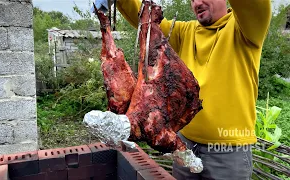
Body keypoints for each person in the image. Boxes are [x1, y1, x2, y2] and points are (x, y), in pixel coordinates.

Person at [92, 0, 272, 179]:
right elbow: (146, 17)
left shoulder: (247, 28)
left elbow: (254, 4)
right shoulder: (186, 32)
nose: (197, 3)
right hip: (183, 146)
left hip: (228, 151)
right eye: (192, 0)